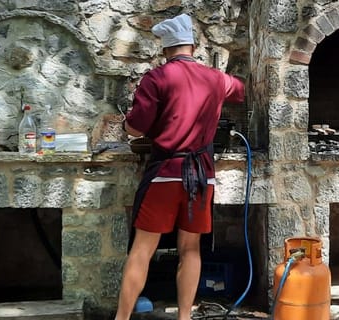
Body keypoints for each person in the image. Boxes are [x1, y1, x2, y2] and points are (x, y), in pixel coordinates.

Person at [114, 13, 245, 320]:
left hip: (165, 174)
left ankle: (121, 318)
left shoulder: (156, 78)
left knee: (143, 250)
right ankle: (184, 316)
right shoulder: (215, 78)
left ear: (165, 49)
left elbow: (136, 128)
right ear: (193, 46)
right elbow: (239, 89)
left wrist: (126, 124)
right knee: (191, 249)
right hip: (201, 176)